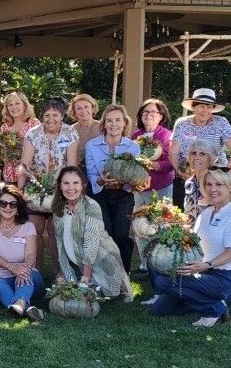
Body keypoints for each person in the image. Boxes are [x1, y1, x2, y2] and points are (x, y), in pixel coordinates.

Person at [149, 168, 231, 327]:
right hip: (202, 273)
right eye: (209, 184)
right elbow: (194, 244)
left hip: (225, 278)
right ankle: (210, 300)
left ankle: (215, 307)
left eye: (219, 184)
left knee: (163, 282)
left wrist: (206, 265)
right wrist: (176, 235)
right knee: (159, 309)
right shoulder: (206, 213)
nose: (212, 189)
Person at [52, 166, 134, 301]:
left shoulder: (91, 206)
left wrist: (85, 277)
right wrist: (63, 271)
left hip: (100, 256)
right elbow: (60, 242)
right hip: (77, 258)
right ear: (60, 186)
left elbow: (91, 242)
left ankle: (122, 283)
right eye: (66, 183)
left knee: (99, 294)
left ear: (83, 186)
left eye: (75, 183)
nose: (70, 188)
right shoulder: (58, 207)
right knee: (61, 293)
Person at [18, 98, 78, 274]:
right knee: (34, 228)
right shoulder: (32, 134)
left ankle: (59, 272)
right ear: (42, 116)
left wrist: (69, 192)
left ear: (62, 116)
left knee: (55, 228)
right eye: (47, 115)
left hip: (60, 190)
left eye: (55, 115)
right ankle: (36, 270)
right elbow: (25, 165)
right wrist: (20, 192)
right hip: (35, 188)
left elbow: (72, 165)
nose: (51, 119)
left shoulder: (70, 134)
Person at [84, 103, 141, 274]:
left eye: (118, 120)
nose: (113, 124)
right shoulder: (92, 146)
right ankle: (106, 273)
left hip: (123, 193)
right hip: (99, 194)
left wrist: (133, 182)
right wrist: (101, 181)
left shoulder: (133, 147)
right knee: (105, 233)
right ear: (104, 124)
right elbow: (92, 175)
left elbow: (134, 174)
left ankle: (123, 273)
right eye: (109, 121)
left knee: (121, 234)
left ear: (124, 123)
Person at [0, 187, 46, 320]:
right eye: (3, 203)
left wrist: (24, 269)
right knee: (0, 286)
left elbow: (31, 254)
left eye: (13, 204)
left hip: (27, 275)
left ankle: (20, 303)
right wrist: (12, 268)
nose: (7, 207)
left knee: (27, 276)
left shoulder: (28, 227)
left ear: (18, 208)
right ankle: (26, 309)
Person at [129, 98, 174, 272]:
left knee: (159, 225)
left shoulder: (166, 135)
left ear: (161, 116)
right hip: (138, 189)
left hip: (160, 188)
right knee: (139, 226)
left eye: (152, 112)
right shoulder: (135, 136)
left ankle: (160, 263)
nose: (148, 115)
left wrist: (151, 164)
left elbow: (170, 162)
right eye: (145, 112)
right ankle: (145, 264)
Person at [169, 88, 231, 208]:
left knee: (214, 211)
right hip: (187, 174)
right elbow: (173, 153)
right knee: (184, 211)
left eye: (209, 107)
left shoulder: (221, 122)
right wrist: (180, 171)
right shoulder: (182, 123)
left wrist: (227, 170)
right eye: (201, 106)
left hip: (214, 177)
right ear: (193, 107)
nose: (205, 111)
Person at [0, 91, 40, 185]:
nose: (14, 107)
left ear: (24, 106)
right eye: (10, 105)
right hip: (9, 175)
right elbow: (2, 150)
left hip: (30, 175)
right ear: (7, 108)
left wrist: (25, 159)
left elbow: (41, 148)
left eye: (17, 103)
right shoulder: (4, 127)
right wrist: (8, 156)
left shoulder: (34, 123)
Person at [182, 138, 218, 224]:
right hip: (191, 233)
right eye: (193, 153)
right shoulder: (189, 183)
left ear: (211, 160)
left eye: (202, 154)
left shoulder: (216, 183)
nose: (196, 157)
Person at [69, 93, 103, 169]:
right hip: (77, 171)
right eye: (79, 108)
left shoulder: (103, 127)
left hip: (100, 170)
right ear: (74, 112)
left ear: (92, 108)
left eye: (86, 107)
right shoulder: (70, 131)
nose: (83, 111)